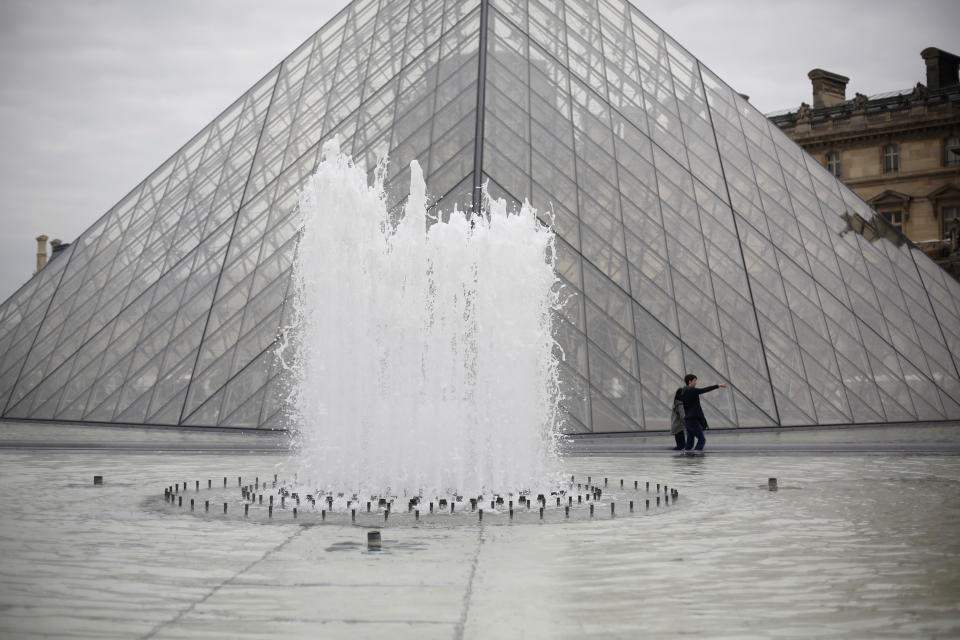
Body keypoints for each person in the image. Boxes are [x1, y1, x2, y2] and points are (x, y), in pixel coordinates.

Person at [681, 374, 726, 452]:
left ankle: (688, 460)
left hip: (688, 419)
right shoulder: (691, 390)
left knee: (690, 442)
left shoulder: (684, 390)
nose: (696, 383)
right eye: (695, 381)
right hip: (692, 419)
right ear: (689, 381)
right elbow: (704, 390)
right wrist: (718, 385)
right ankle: (697, 458)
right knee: (702, 440)